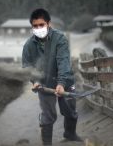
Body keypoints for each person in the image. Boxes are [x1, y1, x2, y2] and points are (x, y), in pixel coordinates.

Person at [22, 8, 82, 145]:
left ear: (48, 23)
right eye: (35, 26)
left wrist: (61, 83)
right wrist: (35, 81)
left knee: (70, 111)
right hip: (44, 84)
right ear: (32, 27)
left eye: (41, 25)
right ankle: (47, 143)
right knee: (48, 115)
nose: (38, 28)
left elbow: (63, 62)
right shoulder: (29, 45)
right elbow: (27, 66)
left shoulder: (60, 38)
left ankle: (70, 134)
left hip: (65, 80)